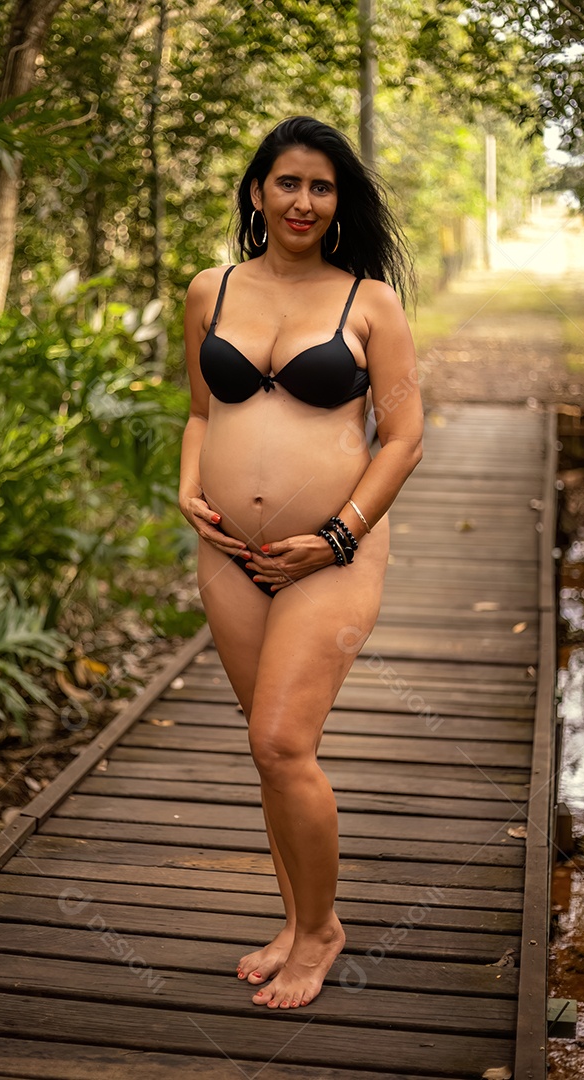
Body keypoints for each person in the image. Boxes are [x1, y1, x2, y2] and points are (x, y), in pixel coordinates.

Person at [178, 115, 423, 1011]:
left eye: (322, 187)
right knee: (270, 749)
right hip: (228, 551)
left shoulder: (369, 303)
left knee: (281, 740)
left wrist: (339, 534)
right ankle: (293, 917)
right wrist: (185, 488)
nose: (304, 201)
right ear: (257, 192)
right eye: (288, 182)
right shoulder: (211, 289)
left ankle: (321, 933)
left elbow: (404, 437)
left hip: (334, 554)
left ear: (337, 203)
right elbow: (202, 412)